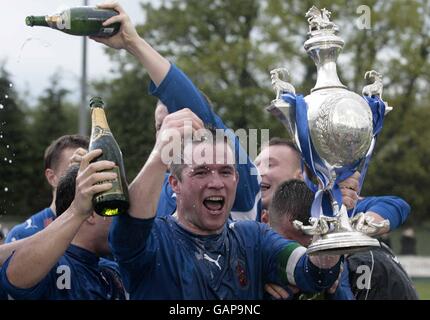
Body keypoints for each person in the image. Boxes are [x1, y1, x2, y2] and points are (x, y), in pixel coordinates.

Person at [108, 104, 344, 299]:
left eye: (225, 171)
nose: (216, 182)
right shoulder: (155, 240)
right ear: (174, 184)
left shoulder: (253, 238)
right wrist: (161, 153)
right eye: (201, 172)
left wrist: (329, 249)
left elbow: (312, 274)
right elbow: (128, 226)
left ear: (237, 178)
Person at [90, 3, 261, 222]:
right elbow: (124, 239)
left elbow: (182, 96)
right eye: (160, 126)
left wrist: (133, 43)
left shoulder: (234, 170)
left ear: (203, 129)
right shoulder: (155, 189)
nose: (165, 133)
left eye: (176, 122)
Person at [0, 150, 125, 300]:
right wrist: (76, 211)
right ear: (91, 213)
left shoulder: (111, 270)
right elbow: (15, 274)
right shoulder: (49, 265)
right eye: (113, 207)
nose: (121, 217)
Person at [267, 179, 418, 300]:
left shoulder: (328, 207)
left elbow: (396, 205)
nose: (263, 170)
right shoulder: (254, 234)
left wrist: (344, 240)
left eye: (307, 245)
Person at [256, 137, 410, 233]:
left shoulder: (328, 206)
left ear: (300, 177)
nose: (258, 172)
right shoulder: (244, 216)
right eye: (255, 166)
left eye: (269, 165)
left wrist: (360, 228)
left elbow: (395, 205)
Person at [5, 134, 89, 243]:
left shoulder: (103, 231)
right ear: (52, 177)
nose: (82, 177)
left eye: (88, 168)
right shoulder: (23, 235)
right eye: (75, 169)